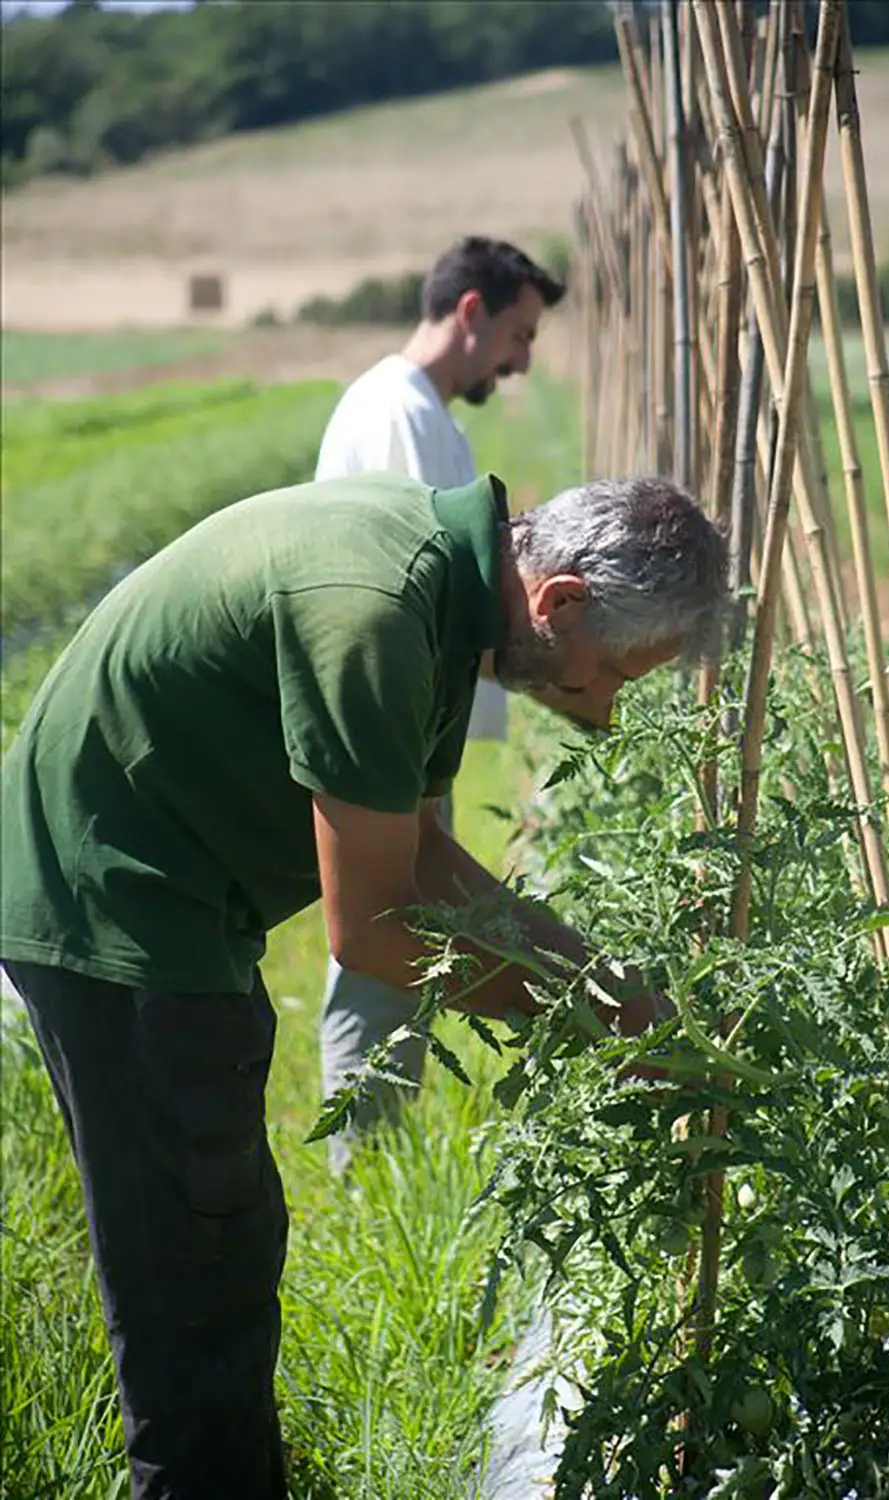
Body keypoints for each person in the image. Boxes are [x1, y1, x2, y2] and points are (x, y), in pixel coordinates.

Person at [1, 469, 727, 1500]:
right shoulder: (380, 612)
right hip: (109, 903)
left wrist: (613, 993)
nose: (603, 714)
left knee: (231, 1240)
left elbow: (425, 858)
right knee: (189, 1282)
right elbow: (376, 927)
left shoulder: (438, 596)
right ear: (557, 602)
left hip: (169, 895)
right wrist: (597, 1023)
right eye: (610, 673)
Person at [313, 236, 566, 1154]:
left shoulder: (421, 411)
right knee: (383, 936)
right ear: (471, 311)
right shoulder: (394, 413)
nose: (523, 361)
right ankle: (365, 1155)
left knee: (405, 924)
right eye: (519, 333)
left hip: (405, 719)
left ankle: (375, 1146)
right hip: (382, 718)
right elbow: (403, 587)